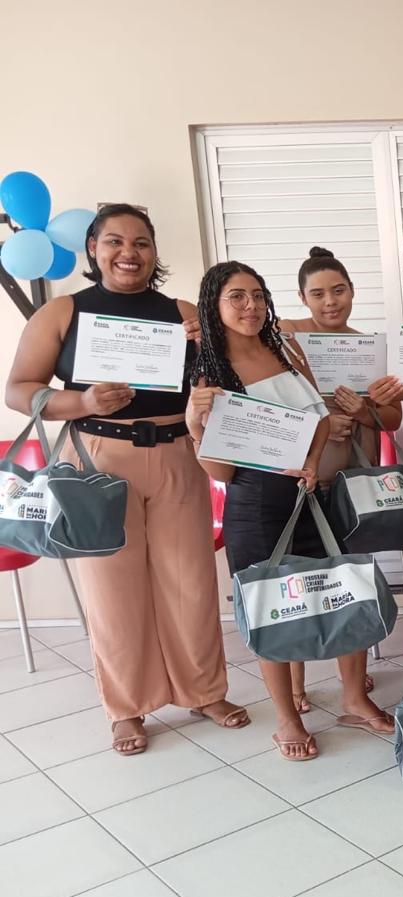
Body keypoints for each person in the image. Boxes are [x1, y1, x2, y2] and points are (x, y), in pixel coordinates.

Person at [4, 204, 246, 756]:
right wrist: (80, 401)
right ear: (93, 249)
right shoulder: (64, 311)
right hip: (98, 458)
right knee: (112, 588)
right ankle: (127, 707)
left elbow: (227, 386)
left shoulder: (183, 312)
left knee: (190, 582)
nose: (128, 253)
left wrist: (207, 349)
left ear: (154, 251)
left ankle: (204, 692)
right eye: (114, 241)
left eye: (141, 242)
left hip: (178, 451)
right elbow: (19, 389)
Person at [187, 261, 391, 761]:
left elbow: (318, 420)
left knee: (343, 590)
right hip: (257, 504)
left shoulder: (286, 347)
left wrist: (313, 461)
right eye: (237, 297)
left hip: (312, 494)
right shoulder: (208, 373)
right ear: (214, 305)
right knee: (272, 609)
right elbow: (221, 471)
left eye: (258, 295)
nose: (251, 306)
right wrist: (195, 423)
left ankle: (353, 697)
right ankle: (287, 719)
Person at [277, 246, 403, 712]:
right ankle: (295, 686)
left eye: (338, 290)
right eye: (318, 294)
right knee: (296, 585)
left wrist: (364, 410)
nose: (330, 302)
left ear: (352, 291)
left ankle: (352, 686)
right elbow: (269, 405)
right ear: (302, 298)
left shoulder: (368, 347)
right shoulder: (286, 339)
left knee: (351, 586)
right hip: (300, 486)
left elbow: (392, 418)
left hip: (352, 489)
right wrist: (323, 420)